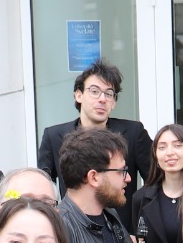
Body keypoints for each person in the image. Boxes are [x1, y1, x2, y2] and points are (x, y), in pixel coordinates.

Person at [37, 59, 154, 227]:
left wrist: (140, 226)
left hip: (123, 229)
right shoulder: (54, 136)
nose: (102, 99)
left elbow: (155, 181)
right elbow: (43, 185)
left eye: (109, 94)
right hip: (74, 228)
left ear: (114, 102)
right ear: (78, 95)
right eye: (94, 91)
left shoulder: (134, 132)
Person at [127, 123, 183, 243]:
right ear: (155, 155)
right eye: (162, 147)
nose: (169, 152)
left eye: (177, 145)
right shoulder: (140, 198)